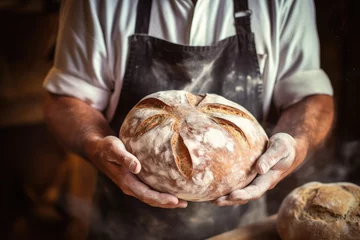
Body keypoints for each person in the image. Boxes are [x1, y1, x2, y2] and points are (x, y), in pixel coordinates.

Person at [43, 0, 334, 239]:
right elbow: (66, 98)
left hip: (241, 227)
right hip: (125, 221)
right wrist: (95, 144)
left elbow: (309, 96)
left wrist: (295, 143)